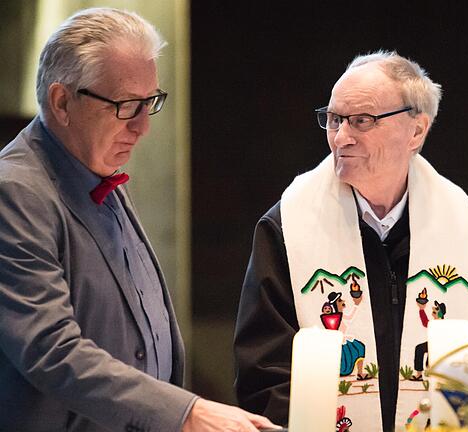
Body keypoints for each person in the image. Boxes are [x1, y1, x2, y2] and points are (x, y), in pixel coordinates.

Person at [0, 8, 277, 432]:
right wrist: (185, 412)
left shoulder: (99, 168)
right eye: (128, 105)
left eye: (150, 103)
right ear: (62, 102)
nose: (143, 127)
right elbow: (51, 350)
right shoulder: (16, 191)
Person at [234, 51, 468, 432]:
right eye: (334, 119)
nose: (341, 137)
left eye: (361, 121)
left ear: (417, 131)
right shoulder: (288, 225)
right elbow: (264, 370)